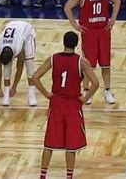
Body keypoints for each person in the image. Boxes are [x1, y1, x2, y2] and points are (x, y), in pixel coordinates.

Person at [32, 31, 99, 179]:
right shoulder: (82, 61)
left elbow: (35, 77)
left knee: (49, 142)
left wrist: (46, 93)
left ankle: (43, 175)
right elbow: (96, 83)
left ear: (63, 42)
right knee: (72, 144)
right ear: (76, 44)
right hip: (73, 105)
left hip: (56, 103)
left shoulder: (53, 58)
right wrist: (85, 98)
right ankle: (69, 176)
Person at [64, 0, 120, 105]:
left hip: (103, 31)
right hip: (89, 33)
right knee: (88, 64)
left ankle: (107, 91)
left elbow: (117, 0)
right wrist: (75, 25)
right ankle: (86, 91)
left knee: (106, 64)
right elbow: (67, 7)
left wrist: (112, 19)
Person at [0, 20, 38, 106]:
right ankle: (6, 94)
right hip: (12, 27)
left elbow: (19, 68)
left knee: (29, 64)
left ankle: (32, 94)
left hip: (27, 33)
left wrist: (14, 87)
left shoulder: (18, 47)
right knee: (7, 68)